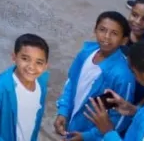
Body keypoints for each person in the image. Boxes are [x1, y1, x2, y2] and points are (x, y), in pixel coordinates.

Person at [53, 11, 134, 141]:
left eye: (114, 33)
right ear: (95, 30)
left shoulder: (123, 76)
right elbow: (71, 82)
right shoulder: (85, 53)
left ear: (124, 40)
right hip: (72, 127)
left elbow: (120, 118)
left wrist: (87, 136)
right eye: (102, 30)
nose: (106, 37)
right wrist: (63, 111)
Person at [0, 34, 50, 141]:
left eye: (39, 62)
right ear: (14, 57)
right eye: (25, 58)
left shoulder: (41, 85)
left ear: (45, 66)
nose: (31, 67)